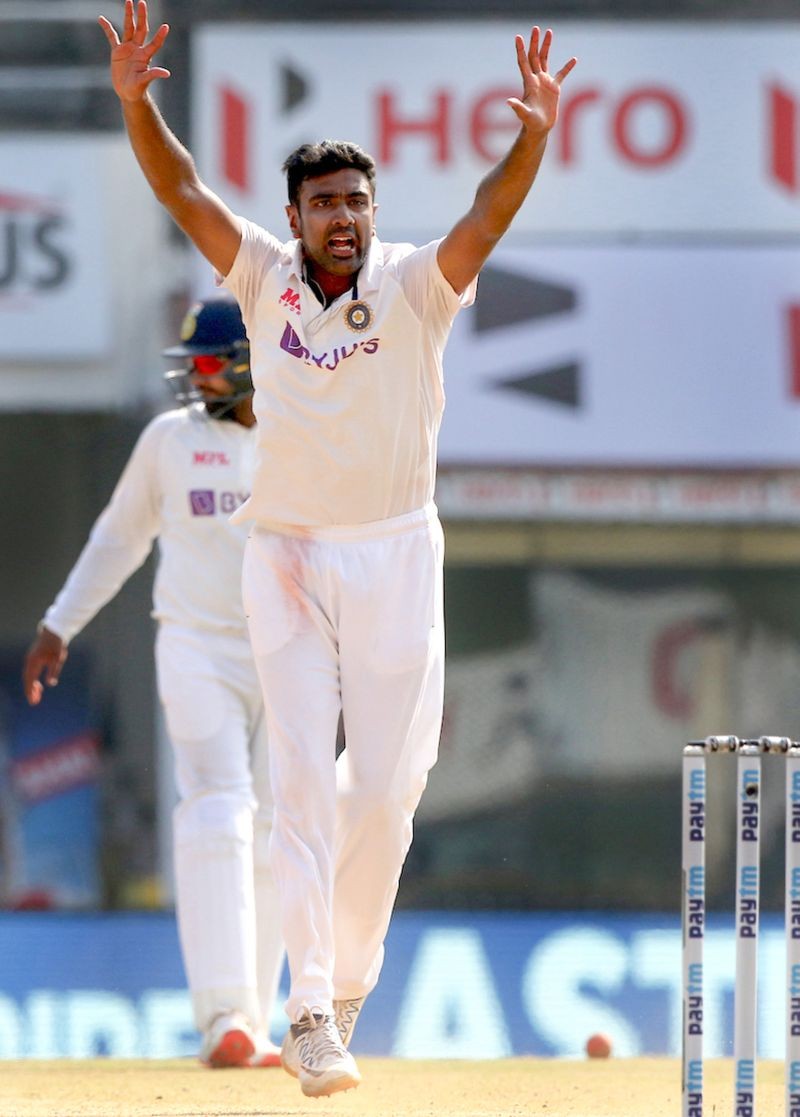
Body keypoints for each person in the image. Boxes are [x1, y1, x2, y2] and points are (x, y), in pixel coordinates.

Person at [98, 0, 577, 1097]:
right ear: (296, 215)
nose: (345, 217)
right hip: (289, 555)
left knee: (387, 794)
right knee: (300, 785)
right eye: (325, 204)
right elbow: (179, 190)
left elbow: (485, 217)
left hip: (397, 555)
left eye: (357, 200)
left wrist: (534, 138)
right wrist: (136, 106)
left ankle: (345, 981)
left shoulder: (413, 285)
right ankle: (305, 1007)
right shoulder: (261, 276)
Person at [23, 295, 285, 1070]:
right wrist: (59, 624)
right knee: (218, 809)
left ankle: (258, 1024)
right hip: (197, 645)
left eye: (214, 362)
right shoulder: (170, 443)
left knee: (277, 830)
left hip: (291, 652)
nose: (201, 378)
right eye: (194, 364)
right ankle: (223, 1018)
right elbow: (118, 536)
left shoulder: (303, 438)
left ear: (253, 359)